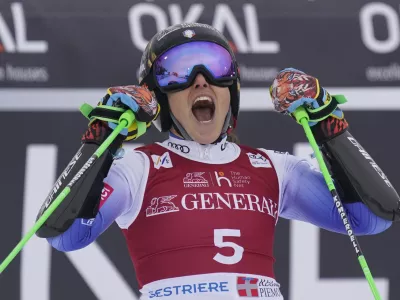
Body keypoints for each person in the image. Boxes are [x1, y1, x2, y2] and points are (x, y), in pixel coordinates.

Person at [36, 23, 400, 300]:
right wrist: (100, 139)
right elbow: (63, 234)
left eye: (215, 66)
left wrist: (327, 124)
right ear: (158, 96)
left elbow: (375, 217)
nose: (200, 82)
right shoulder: (138, 168)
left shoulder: (273, 169)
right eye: (178, 72)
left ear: (232, 90)